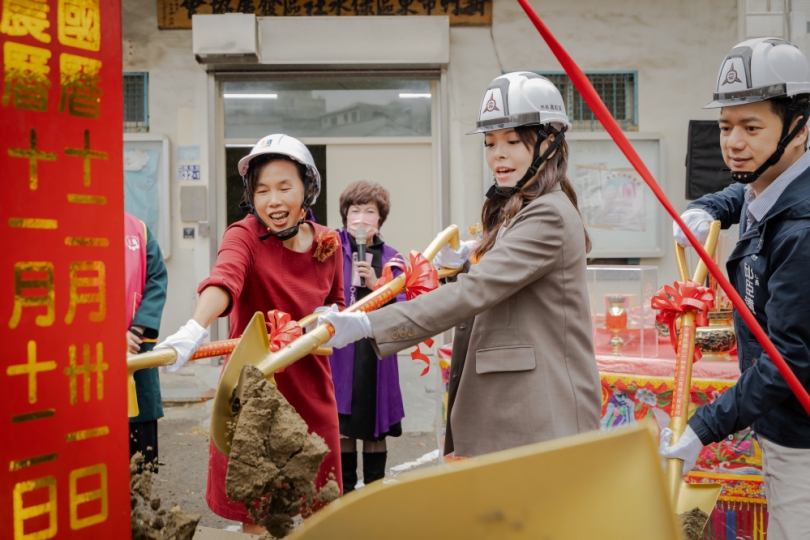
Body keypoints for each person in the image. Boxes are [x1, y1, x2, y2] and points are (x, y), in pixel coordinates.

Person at [319, 72, 602, 458]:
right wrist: (471, 258)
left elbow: (475, 293)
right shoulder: (525, 206)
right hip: (518, 411)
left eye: (512, 141)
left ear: (549, 142)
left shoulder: (546, 215)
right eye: (489, 143)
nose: (497, 154)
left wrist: (369, 323)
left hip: (537, 415)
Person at [154, 135, 344, 534]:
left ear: (308, 189)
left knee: (321, 506)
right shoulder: (243, 235)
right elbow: (225, 280)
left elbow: (337, 304)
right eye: (261, 191)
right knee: (257, 512)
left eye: (283, 187)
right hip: (253, 390)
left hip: (311, 387)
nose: (272, 200)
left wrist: (333, 320)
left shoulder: (330, 242)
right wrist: (194, 328)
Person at [663, 38, 810, 540]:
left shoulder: (803, 231)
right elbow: (746, 192)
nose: (733, 142)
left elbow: (790, 361)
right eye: (726, 127)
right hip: (781, 425)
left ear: (800, 126)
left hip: (803, 440)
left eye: (751, 128)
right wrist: (709, 207)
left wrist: (703, 427)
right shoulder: (770, 183)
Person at [330, 181, 406, 492]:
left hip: (376, 351)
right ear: (345, 215)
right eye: (355, 210)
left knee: (376, 428)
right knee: (343, 426)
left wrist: (378, 284)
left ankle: (375, 496)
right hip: (341, 350)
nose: (361, 218)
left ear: (380, 219)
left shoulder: (393, 258)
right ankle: (345, 496)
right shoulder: (331, 248)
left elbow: (405, 307)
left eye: (369, 211)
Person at [125, 212, 168, 468]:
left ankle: (138, 492)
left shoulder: (138, 229)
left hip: (137, 345)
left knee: (140, 413)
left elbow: (156, 279)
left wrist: (135, 330)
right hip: (91, 347)